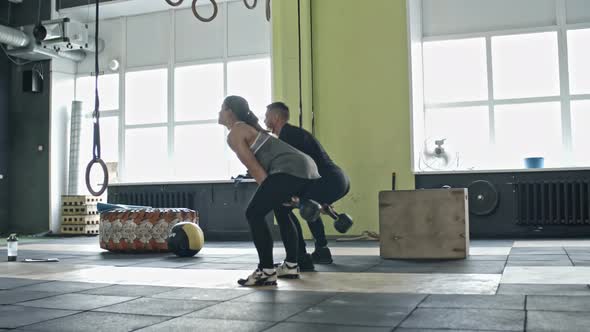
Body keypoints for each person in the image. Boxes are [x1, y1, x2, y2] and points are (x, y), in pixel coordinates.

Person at [218, 95, 321, 287]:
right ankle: (291, 265)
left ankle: (266, 270)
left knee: (254, 213)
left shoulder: (236, 133)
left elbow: (255, 168)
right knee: (282, 211)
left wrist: (272, 191)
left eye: (221, 108)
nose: (219, 112)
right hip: (306, 167)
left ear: (230, 112)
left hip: (290, 168)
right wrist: (279, 195)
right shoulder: (250, 129)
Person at [264, 102, 351, 268]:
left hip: (327, 180)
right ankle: (321, 251)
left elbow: (294, 169)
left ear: (275, 117)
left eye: (267, 116)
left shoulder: (288, 136)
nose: (264, 119)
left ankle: (300, 256)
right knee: (311, 207)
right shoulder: (295, 133)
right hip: (338, 179)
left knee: (284, 207)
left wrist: (293, 195)